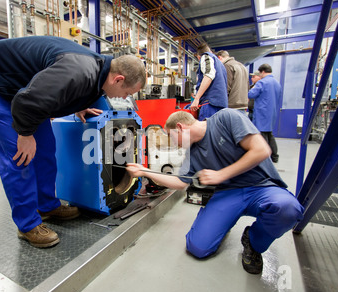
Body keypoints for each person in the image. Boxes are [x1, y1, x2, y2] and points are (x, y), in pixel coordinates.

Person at [0, 36, 146, 248]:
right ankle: (27, 225)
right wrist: (24, 135)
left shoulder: (99, 71)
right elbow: (26, 101)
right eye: (127, 93)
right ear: (118, 79)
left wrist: (78, 104)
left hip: (27, 90)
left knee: (45, 149)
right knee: (19, 155)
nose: (125, 98)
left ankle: (46, 206)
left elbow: (62, 90)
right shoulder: (77, 71)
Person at [125, 110, 303, 274]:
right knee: (198, 247)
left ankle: (253, 241)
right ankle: (222, 223)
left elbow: (261, 150)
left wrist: (221, 174)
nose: (174, 144)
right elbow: (180, 183)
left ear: (180, 128)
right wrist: (144, 171)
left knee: (288, 209)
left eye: (172, 138)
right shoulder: (192, 154)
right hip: (228, 194)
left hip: (261, 186)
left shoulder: (227, 118)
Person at [248, 63, 281, 163]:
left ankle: (264, 159)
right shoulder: (277, 83)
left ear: (262, 72)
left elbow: (251, 94)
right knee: (269, 134)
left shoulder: (261, 83)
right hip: (272, 113)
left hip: (262, 113)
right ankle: (274, 156)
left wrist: (251, 88)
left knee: (261, 136)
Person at [190, 43, 228, 120]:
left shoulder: (205, 56)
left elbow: (209, 75)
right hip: (221, 104)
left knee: (206, 130)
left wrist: (197, 98)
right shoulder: (220, 64)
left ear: (198, 57)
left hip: (210, 103)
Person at [216, 50, 249, 114]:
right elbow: (247, 85)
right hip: (243, 104)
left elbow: (226, 87)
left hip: (232, 105)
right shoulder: (242, 66)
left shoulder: (227, 65)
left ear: (219, 58)